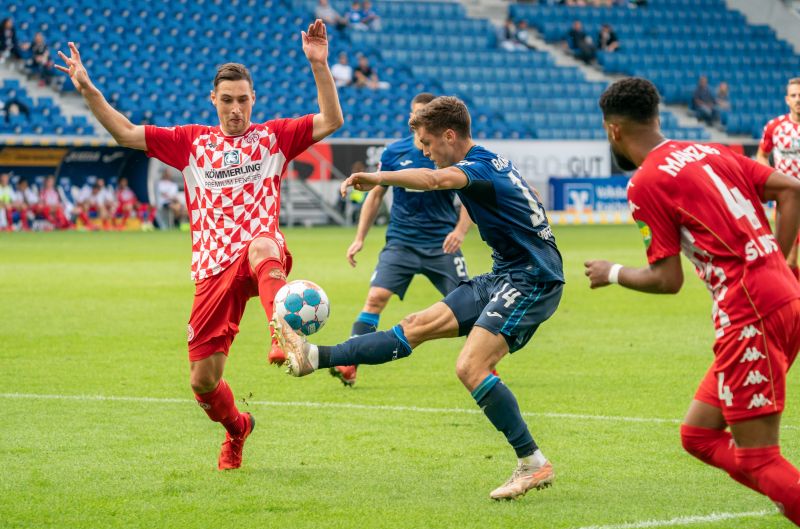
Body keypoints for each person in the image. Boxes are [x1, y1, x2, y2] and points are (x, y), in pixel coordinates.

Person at [55, 19, 343, 470]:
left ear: (254, 100)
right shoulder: (191, 142)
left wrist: (319, 65)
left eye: (243, 100)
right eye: (227, 100)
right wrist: (89, 90)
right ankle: (237, 429)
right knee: (203, 382)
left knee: (263, 245)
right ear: (214, 100)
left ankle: (282, 331)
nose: (235, 109)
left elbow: (331, 119)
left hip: (259, 253)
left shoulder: (272, 137)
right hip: (211, 270)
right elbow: (126, 134)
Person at [273, 96, 564, 500]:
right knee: (415, 326)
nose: (425, 153)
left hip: (532, 278)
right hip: (504, 274)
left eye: (427, 144)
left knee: (470, 366)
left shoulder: (474, 167)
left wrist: (378, 178)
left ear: (449, 135)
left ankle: (532, 462)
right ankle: (314, 357)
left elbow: (432, 181)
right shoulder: (492, 160)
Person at [584, 77, 800, 527]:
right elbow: (790, 190)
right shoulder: (713, 151)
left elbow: (667, 280)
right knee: (699, 435)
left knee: (759, 459)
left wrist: (613, 273)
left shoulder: (645, 182)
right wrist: (777, 260)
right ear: (657, 117)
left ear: (613, 132)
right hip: (784, 293)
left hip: (749, 311)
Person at [332, 93, 473, 387]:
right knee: (375, 298)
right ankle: (350, 362)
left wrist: (459, 231)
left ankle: (483, 364)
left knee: (470, 306)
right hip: (401, 242)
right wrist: (360, 238)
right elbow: (375, 196)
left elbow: (471, 199)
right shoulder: (394, 153)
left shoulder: (447, 154)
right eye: (416, 113)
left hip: (441, 244)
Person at [757, 77, 800, 280]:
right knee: (789, 258)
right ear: (787, 99)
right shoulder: (775, 127)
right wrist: (771, 177)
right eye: (794, 95)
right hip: (787, 199)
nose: (798, 99)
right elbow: (762, 155)